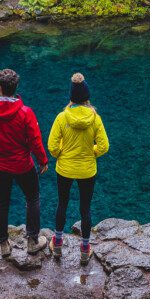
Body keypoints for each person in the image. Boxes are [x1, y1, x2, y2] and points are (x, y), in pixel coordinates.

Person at [0, 67, 49, 257]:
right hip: (23, 165)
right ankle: (32, 241)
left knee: (1, 203)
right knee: (32, 198)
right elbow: (35, 140)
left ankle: (4, 245)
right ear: (16, 87)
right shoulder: (25, 112)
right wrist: (42, 160)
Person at [47, 72, 109, 266]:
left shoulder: (61, 117)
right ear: (87, 98)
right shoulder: (95, 118)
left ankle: (57, 244)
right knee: (85, 209)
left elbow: (52, 146)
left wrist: (62, 154)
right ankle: (84, 249)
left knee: (62, 204)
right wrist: (91, 151)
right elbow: (104, 146)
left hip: (64, 168)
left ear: (71, 98)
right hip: (87, 170)